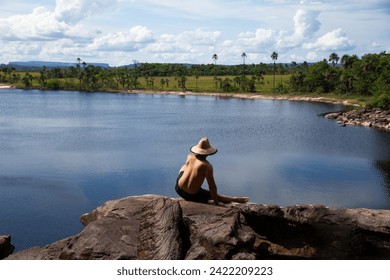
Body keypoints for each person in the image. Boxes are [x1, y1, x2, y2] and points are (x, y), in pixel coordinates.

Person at [175, 137, 249, 205]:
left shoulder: (190, 156)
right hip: (193, 196)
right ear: (207, 153)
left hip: (178, 189)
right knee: (214, 195)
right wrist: (216, 203)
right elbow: (212, 186)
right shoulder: (207, 166)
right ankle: (235, 199)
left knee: (184, 167)